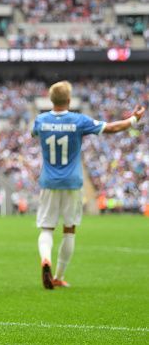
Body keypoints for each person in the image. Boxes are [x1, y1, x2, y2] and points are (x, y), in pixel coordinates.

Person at [32, 80, 145, 289]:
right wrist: (133, 120)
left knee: (46, 228)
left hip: (49, 181)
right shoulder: (78, 121)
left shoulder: (40, 120)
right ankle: (58, 275)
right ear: (68, 100)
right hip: (72, 182)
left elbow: (34, 133)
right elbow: (111, 128)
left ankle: (45, 259)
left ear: (50, 99)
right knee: (69, 229)